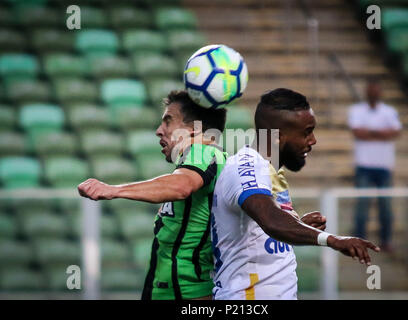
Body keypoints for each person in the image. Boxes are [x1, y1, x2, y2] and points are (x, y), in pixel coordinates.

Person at [211, 88, 380, 300]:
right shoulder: (247, 167)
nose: (313, 140)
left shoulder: (270, 171)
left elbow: (262, 229)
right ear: (278, 137)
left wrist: (297, 224)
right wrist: (333, 240)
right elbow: (271, 221)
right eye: (307, 132)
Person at [78, 90, 229, 300]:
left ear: (194, 130)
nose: (159, 131)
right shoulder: (198, 161)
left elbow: (182, 186)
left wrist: (114, 190)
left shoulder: (204, 153)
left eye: (168, 121)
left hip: (185, 293)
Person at [348, 79, 402, 252]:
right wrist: (381, 133)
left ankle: (386, 240)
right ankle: (359, 240)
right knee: (362, 205)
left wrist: (369, 132)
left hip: (383, 166)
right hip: (364, 165)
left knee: (385, 206)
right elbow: (358, 132)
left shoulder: (389, 111)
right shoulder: (356, 110)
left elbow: (394, 132)